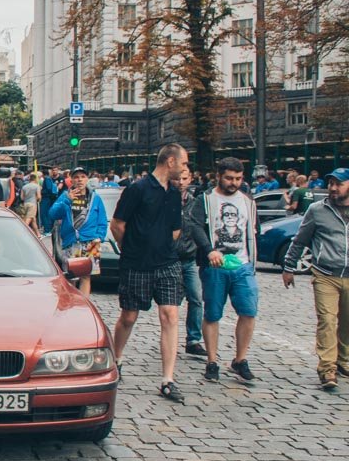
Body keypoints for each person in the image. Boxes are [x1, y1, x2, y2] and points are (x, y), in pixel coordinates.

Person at [110, 144, 189, 403]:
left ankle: (168, 379)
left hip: (167, 263)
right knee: (129, 316)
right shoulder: (138, 189)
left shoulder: (174, 193)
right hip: (136, 263)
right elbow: (117, 224)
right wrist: (132, 247)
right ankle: (116, 358)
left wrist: (163, 245)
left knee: (170, 315)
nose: (185, 169)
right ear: (170, 161)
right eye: (183, 163)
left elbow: (176, 229)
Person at [189, 157, 258, 383]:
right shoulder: (206, 199)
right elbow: (195, 226)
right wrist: (209, 250)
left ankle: (240, 359)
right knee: (212, 313)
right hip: (214, 266)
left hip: (243, 265)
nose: (233, 183)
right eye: (229, 178)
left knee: (248, 311)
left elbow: (251, 230)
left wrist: (252, 260)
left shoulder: (247, 201)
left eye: (238, 178)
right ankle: (212, 361)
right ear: (218, 176)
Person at [283, 167, 349, 390]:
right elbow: (300, 240)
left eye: (339, 183)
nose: (333, 188)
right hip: (325, 274)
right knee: (327, 320)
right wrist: (289, 267)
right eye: (331, 183)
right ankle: (327, 368)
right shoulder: (317, 210)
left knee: (347, 322)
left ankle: (344, 361)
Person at [49, 167, 108, 296]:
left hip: (91, 242)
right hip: (71, 241)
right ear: (71, 180)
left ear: (87, 179)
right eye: (76, 177)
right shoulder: (65, 196)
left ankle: (84, 303)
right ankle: (72, 303)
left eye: (82, 177)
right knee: (71, 276)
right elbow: (53, 214)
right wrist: (67, 200)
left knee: (86, 277)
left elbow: (102, 220)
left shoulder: (95, 198)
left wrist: (99, 237)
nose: (80, 180)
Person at [173, 166, 206, 359]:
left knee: (196, 297)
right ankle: (170, 337)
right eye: (178, 178)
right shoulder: (166, 200)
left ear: (190, 179)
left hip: (189, 258)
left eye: (184, 178)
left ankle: (193, 339)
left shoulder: (195, 203)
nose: (181, 182)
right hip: (170, 259)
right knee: (172, 302)